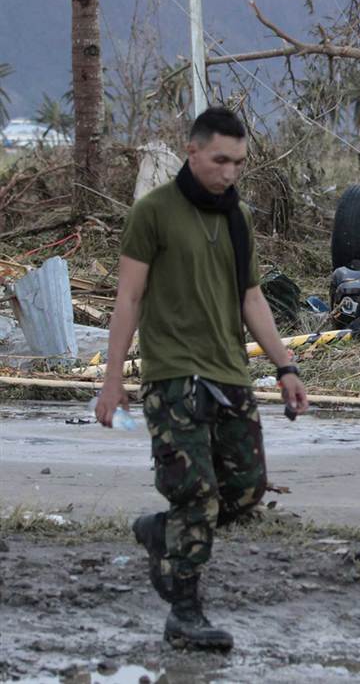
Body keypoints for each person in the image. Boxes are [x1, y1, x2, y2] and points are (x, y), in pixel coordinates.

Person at [94, 106, 309, 651]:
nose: (230, 172)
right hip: (173, 378)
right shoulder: (153, 213)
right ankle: (184, 614)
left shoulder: (237, 219)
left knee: (243, 492)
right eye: (220, 160)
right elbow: (129, 297)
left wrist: (285, 365)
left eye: (238, 162)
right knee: (195, 495)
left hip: (230, 374)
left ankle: (158, 532)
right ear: (192, 152)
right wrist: (112, 378)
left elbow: (251, 297)